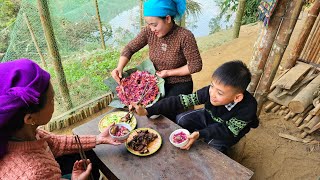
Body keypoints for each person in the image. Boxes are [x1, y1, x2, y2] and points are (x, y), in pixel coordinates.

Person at [0, 59, 122, 180]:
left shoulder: (21, 133)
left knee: (88, 155)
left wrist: (98, 139)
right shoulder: (36, 173)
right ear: (30, 118)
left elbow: (55, 143)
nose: (55, 103)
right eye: (52, 100)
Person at [131, 60, 259, 152]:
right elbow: (180, 100)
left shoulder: (248, 108)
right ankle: (198, 136)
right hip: (208, 116)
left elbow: (226, 130)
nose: (212, 94)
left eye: (219, 93)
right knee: (181, 119)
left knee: (214, 146)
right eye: (212, 86)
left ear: (237, 97)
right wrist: (148, 110)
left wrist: (200, 133)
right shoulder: (209, 92)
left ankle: (225, 150)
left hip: (228, 131)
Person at [111, 0, 202, 98]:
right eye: (149, 24)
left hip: (179, 83)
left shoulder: (185, 36)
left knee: (165, 107)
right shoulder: (148, 32)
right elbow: (129, 48)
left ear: (167, 18)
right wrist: (119, 67)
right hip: (157, 82)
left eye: (154, 25)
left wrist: (168, 73)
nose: (151, 29)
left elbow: (195, 65)